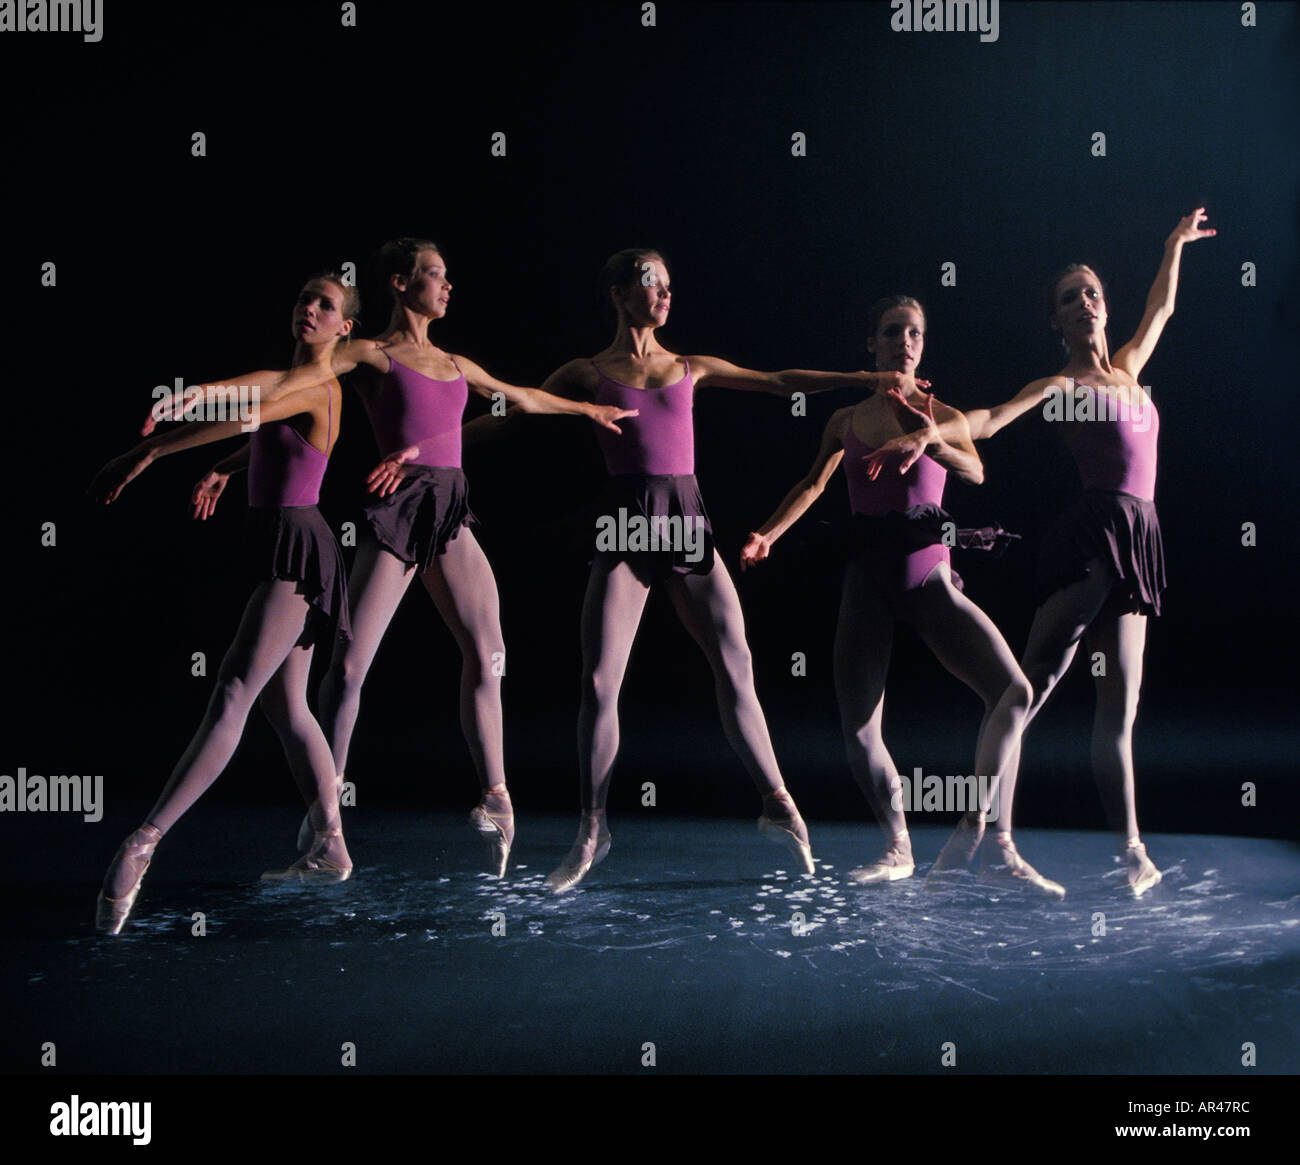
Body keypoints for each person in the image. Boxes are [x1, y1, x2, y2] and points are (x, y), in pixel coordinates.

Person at [536, 248, 927, 893]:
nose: (663, 293)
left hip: (687, 525)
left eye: (669, 283)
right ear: (617, 293)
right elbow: (522, 405)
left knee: (736, 666)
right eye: (649, 282)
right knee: (601, 681)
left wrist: (860, 378)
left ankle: (779, 803)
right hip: (627, 527)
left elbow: (778, 381)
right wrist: (438, 444)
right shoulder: (587, 371)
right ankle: (592, 828)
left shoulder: (691, 367)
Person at [282, 239, 635, 877]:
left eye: (447, 275)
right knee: (351, 663)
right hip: (397, 514)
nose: (447, 286)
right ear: (399, 283)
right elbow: (292, 397)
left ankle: (498, 799)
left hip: (448, 513)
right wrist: (230, 459)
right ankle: (327, 828)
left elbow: (521, 397)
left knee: (489, 651)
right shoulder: (372, 354)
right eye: (435, 275)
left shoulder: (453, 362)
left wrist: (588, 408)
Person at [922, 209, 1216, 897]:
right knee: (1026, 690)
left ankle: (1133, 852)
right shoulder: (1062, 389)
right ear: (1055, 322)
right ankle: (979, 832)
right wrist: (932, 427)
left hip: (1140, 544)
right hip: (1096, 540)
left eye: (1090, 292)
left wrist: (1173, 243)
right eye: (1068, 299)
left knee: (1120, 710)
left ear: (1104, 306)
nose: (1083, 302)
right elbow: (991, 421)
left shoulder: (1131, 368)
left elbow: (1164, 305)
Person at [741, 296, 1061, 895]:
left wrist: (926, 439)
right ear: (874, 344)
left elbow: (977, 472)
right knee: (859, 727)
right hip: (869, 580)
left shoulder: (943, 413)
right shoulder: (845, 421)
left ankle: (987, 835)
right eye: (892, 333)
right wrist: (769, 534)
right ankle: (898, 847)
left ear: (922, 345)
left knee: (1014, 690)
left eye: (914, 333)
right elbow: (812, 484)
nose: (904, 342)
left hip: (929, 576)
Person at [90, 273, 360, 934]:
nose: (311, 308)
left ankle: (144, 841)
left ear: (344, 328)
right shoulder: (284, 378)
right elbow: (244, 399)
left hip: (301, 553)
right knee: (286, 704)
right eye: (304, 297)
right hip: (278, 543)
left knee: (236, 689)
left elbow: (252, 410)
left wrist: (149, 450)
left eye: (327, 305)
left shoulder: (322, 388)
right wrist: (213, 446)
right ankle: (330, 843)